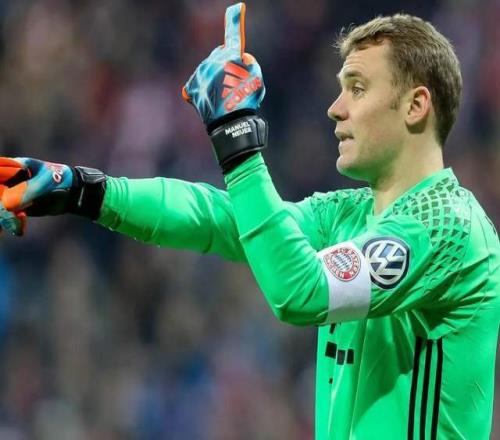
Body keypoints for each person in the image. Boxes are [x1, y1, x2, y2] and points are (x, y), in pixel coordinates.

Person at [0, 3, 498, 439]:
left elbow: (302, 292)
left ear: (415, 106)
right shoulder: (350, 215)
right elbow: (219, 218)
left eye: (358, 88)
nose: (335, 109)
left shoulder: (448, 226)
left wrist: (237, 141)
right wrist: (84, 189)